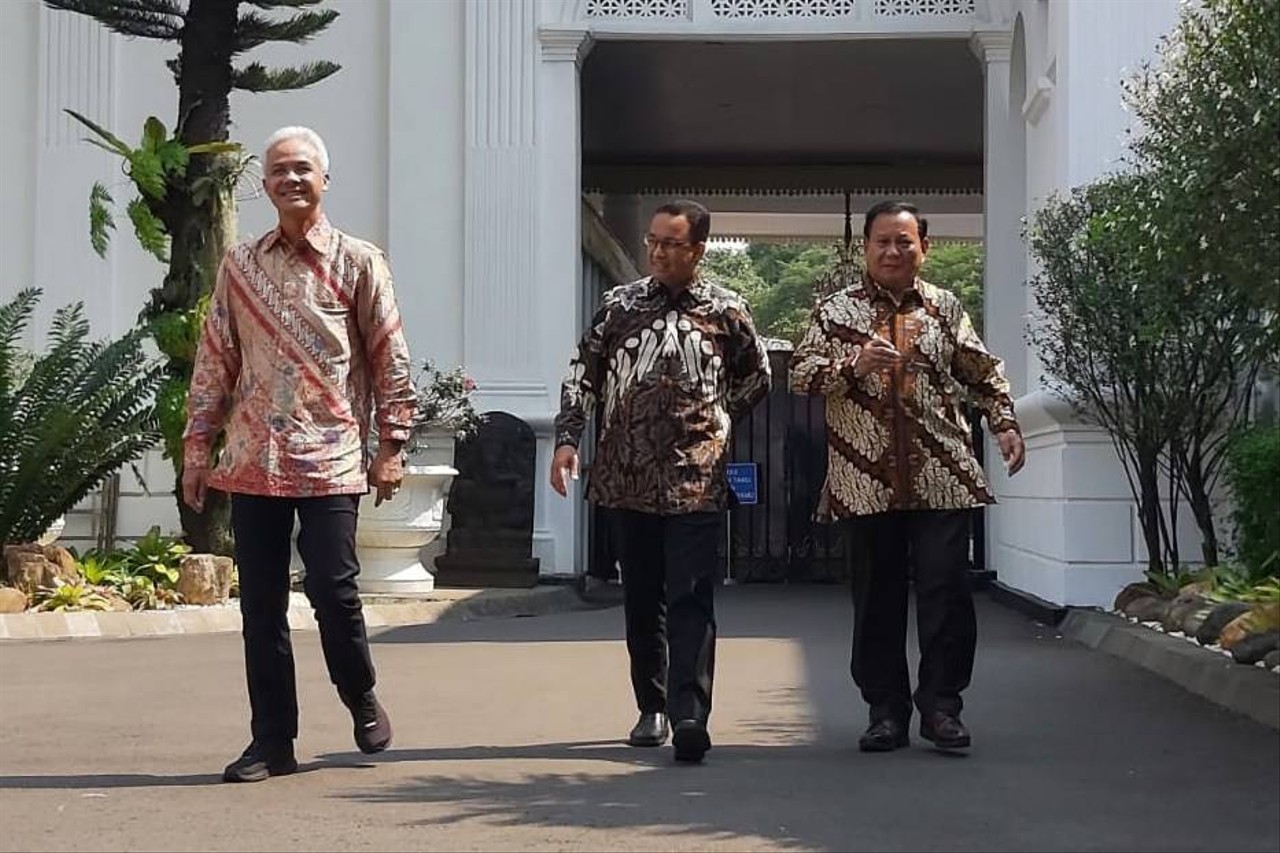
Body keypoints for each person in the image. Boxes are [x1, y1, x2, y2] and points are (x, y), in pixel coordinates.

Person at [183, 126, 416, 782]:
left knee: (334, 591)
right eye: (280, 171)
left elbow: (389, 355)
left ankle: (360, 694)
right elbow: (214, 361)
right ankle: (272, 740)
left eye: (303, 169)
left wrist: (391, 445)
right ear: (265, 186)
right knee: (259, 606)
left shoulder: (359, 261)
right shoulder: (240, 266)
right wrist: (197, 448)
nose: (291, 180)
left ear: (324, 180)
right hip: (254, 458)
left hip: (331, 457)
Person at [790, 200, 1025, 753]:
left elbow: (983, 372)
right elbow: (799, 375)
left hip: (943, 474)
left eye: (904, 241)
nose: (893, 251)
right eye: (882, 242)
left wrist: (1005, 423)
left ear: (925, 247)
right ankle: (885, 711)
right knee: (877, 597)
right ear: (865, 248)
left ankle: (942, 707)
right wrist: (854, 366)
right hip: (864, 480)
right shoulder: (834, 312)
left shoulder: (945, 308)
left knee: (946, 590)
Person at [550, 200, 771, 764]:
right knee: (643, 598)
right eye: (652, 241)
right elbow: (583, 377)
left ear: (697, 250)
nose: (657, 251)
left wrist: (717, 420)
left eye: (671, 243)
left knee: (692, 594)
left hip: (697, 477)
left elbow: (758, 376)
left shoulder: (727, 310)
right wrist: (569, 441)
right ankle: (651, 706)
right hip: (626, 477)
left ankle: (690, 712)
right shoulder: (618, 306)